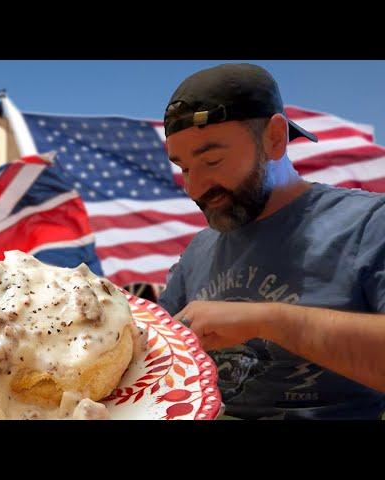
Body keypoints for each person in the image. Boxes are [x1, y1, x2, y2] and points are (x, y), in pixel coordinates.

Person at [157, 63, 385, 419]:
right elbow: (154, 360)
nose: (195, 188)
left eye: (212, 160)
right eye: (184, 168)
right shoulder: (198, 252)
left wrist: (268, 321)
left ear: (275, 138)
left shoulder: (368, 224)